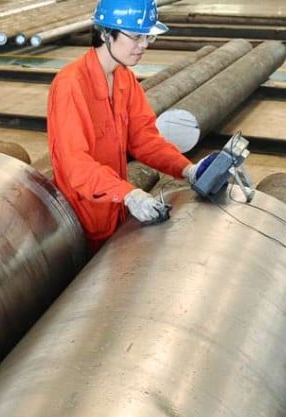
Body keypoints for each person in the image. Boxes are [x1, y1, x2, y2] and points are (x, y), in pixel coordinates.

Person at [47, 0, 207, 251]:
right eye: (135, 36)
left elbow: (145, 140)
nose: (143, 45)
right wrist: (127, 193)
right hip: (80, 219)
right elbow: (75, 165)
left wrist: (187, 169)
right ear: (105, 33)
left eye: (147, 37)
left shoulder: (125, 79)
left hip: (115, 209)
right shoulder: (71, 84)